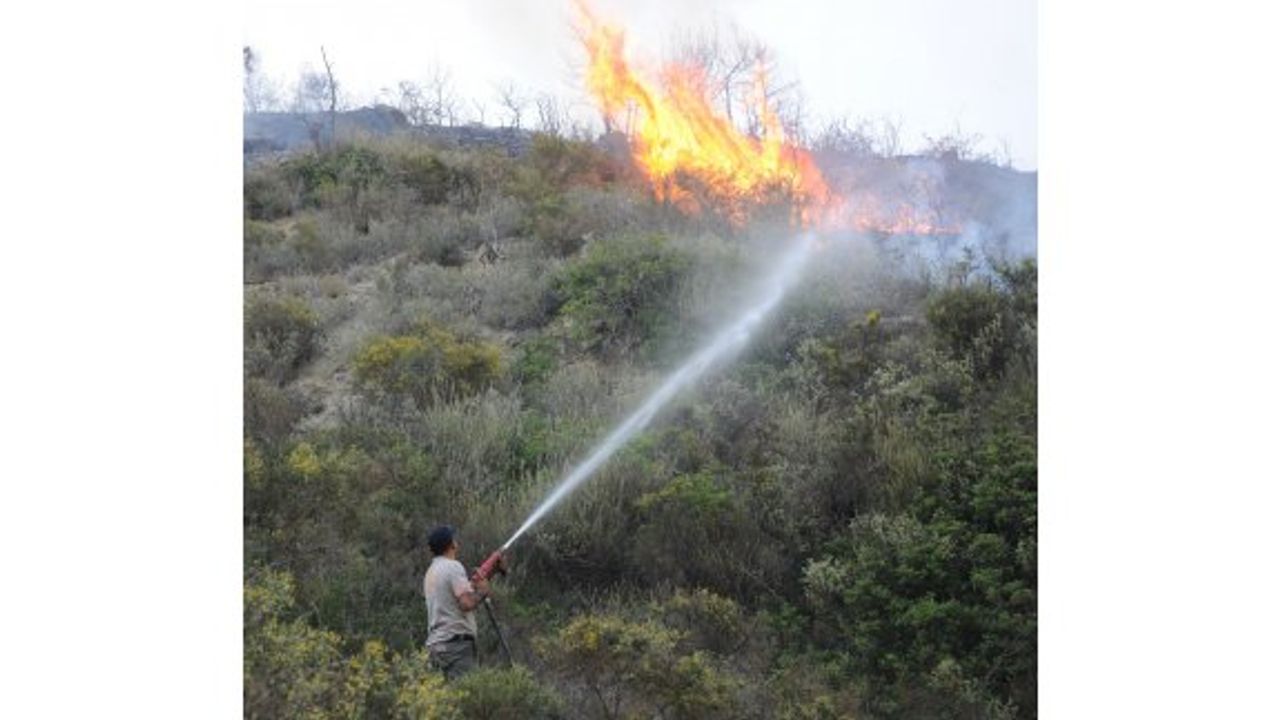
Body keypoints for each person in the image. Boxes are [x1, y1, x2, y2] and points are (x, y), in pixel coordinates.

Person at [423, 525, 490, 680]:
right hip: (456, 648)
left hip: (436, 647)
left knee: (442, 701)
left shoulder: (431, 572)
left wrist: (475, 586)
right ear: (452, 544)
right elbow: (466, 603)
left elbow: (452, 597)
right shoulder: (453, 567)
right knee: (464, 699)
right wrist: (483, 591)